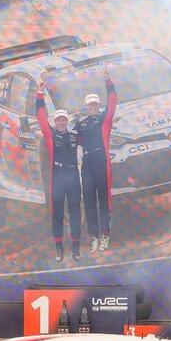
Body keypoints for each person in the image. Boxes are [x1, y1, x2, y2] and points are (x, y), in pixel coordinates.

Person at [36, 80, 82, 262]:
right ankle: (59, 248)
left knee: (75, 211)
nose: (61, 122)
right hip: (57, 176)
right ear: (54, 122)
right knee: (57, 213)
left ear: (67, 122)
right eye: (58, 120)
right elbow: (40, 116)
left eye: (64, 120)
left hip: (73, 176)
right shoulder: (50, 135)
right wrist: (39, 94)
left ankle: (76, 248)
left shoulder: (74, 135)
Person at [76, 70, 117, 252]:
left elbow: (113, 100)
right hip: (87, 164)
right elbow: (72, 142)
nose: (92, 106)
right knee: (89, 201)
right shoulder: (81, 123)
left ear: (98, 105)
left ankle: (105, 234)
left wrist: (108, 80)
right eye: (90, 104)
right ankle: (94, 236)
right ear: (86, 106)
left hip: (102, 162)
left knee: (104, 200)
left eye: (95, 104)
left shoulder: (104, 118)